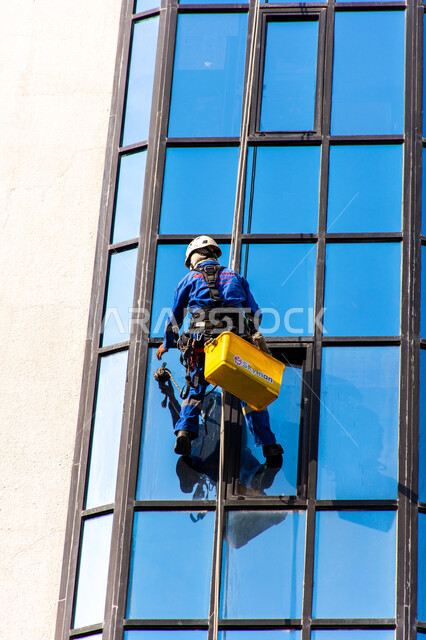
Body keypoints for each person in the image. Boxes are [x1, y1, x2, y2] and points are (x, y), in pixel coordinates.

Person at [156, 235, 283, 463]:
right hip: (235, 344)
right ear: (214, 254)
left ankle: (184, 431)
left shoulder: (189, 279)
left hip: (203, 344)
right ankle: (268, 444)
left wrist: (167, 343)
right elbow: (256, 314)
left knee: (195, 387)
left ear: (194, 258)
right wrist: (248, 331)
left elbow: (175, 318)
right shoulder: (235, 277)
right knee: (250, 391)